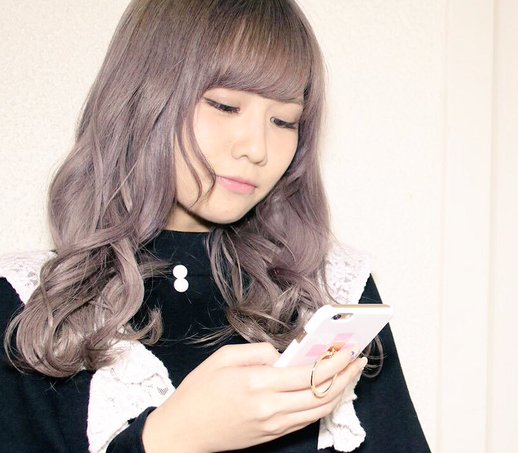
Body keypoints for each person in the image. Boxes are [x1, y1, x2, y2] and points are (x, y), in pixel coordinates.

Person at [0, 1, 430, 452]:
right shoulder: (34, 304)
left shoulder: (328, 290)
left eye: (284, 120)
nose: (257, 148)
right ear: (144, 96)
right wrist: (167, 439)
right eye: (225, 106)